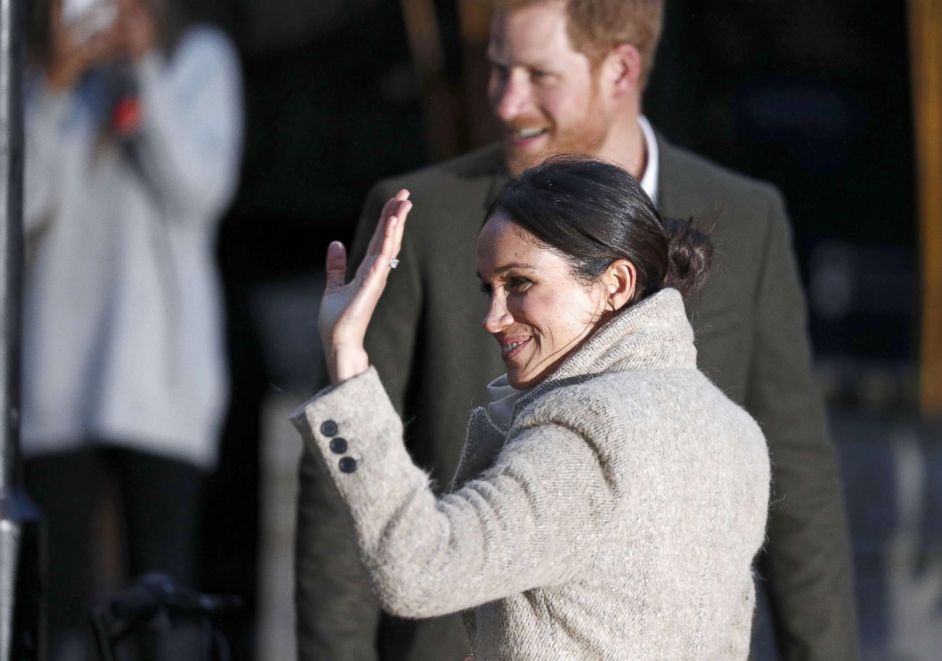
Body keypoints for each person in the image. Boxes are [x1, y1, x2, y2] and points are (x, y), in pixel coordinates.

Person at [296, 1, 859, 659]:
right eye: (497, 69)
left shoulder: (746, 221)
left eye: (538, 74)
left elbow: (802, 479)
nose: (507, 102)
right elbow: (337, 513)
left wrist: (345, 359)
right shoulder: (422, 214)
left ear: (620, 69)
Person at [294, 158, 771, 659]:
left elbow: (418, 567)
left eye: (519, 283)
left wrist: (347, 358)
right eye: (488, 288)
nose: (493, 318)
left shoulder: (587, 432)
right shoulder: (737, 433)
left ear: (616, 285)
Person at [22, 0, 241, 657]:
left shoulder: (198, 59)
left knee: (161, 602)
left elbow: (201, 187)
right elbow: (21, 202)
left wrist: (145, 68)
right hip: (58, 376)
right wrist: (52, 88)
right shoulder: (50, 75)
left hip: (160, 377)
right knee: (53, 606)